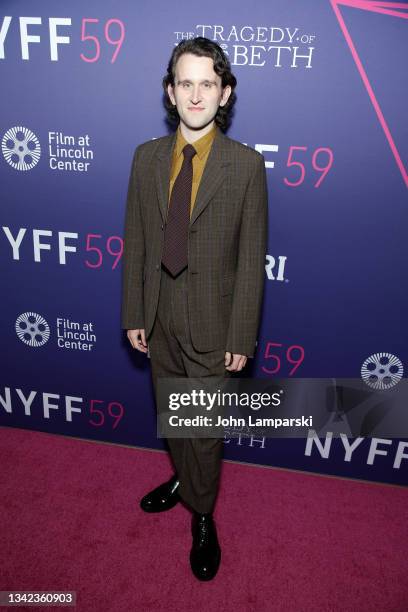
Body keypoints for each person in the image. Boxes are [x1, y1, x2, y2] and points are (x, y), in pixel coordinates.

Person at [121, 36, 268, 581]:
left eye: (208, 82)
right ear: (170, 91)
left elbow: (252, 260)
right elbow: (136, 240)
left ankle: (202, 514)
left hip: (213, 321)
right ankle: (184, 478)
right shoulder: (145, 158)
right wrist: (134, 312)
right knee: (175, 419)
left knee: (203, 428)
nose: (197, 93)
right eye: (187, 82)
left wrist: (241, 335)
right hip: (158, 317)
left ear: (225, 93)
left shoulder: (246, 166)